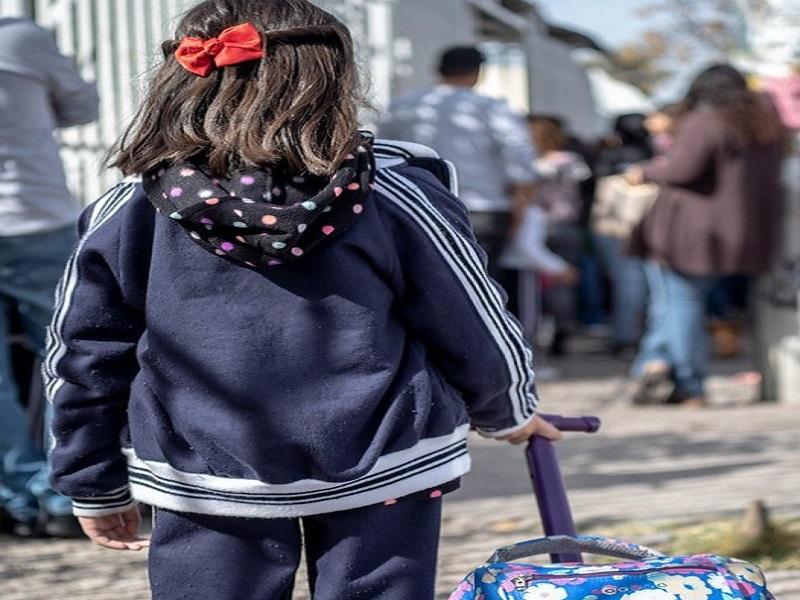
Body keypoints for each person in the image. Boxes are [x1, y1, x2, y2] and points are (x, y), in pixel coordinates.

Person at [45, 2, 560, 598]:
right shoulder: (394, 192)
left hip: (203, 469)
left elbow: (83, 355)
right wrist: (508, 409)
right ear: (333, 81)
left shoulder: (132, 209)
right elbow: (471, 319)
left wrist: (91, 480)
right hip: (384, 457)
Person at [626, 64, 785, 406]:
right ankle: (654, 363)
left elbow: (682, 169)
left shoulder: (705, 120)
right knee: (678, 304)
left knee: (679, 304)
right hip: (738, 233)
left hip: (689, 232)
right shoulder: (765, 126)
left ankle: (688, 383)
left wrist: (645, 171)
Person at [0, 17, 98, 536]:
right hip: (33, 216)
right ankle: (68, 495)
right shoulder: (20, 37)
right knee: (65, 357)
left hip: (32, 220)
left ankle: (15, 498)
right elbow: (84, 109)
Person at [378, 45, 538, 314]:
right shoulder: (490, 108)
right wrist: (520, 200)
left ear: (437, 70)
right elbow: (519, 156)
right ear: (477, 73)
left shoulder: (403, 105)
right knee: (482, 287)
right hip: (482, 209)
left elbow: (383, 151)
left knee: (421, 283)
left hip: (414, 207)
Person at [527, 116, 590, 355]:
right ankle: (562, 328)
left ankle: (538, 326)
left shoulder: (530, 163)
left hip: (535, 223)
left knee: (535, 281)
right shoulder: (571, 161)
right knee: (563, 280)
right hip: (566, 223)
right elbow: (582, 187)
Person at [592, 114, 653, 356]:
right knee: (637, 284)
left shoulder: (608, 157)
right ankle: (633, 335)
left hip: (612, 227)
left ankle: (625, 336)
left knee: (626, 284)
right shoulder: (651, 157)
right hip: (643, 226)